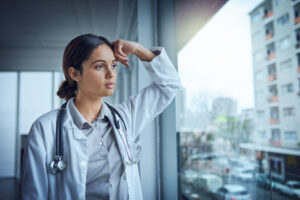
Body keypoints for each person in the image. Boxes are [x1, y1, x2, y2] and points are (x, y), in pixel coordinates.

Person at [21, 33, 181, 200]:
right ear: (75, 74)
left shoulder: (124, 118)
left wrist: (138, 49)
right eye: (99, 66)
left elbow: (170, 84)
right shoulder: (45, 129)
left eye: (113, 65)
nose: (110, 74)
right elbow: (33, 195)